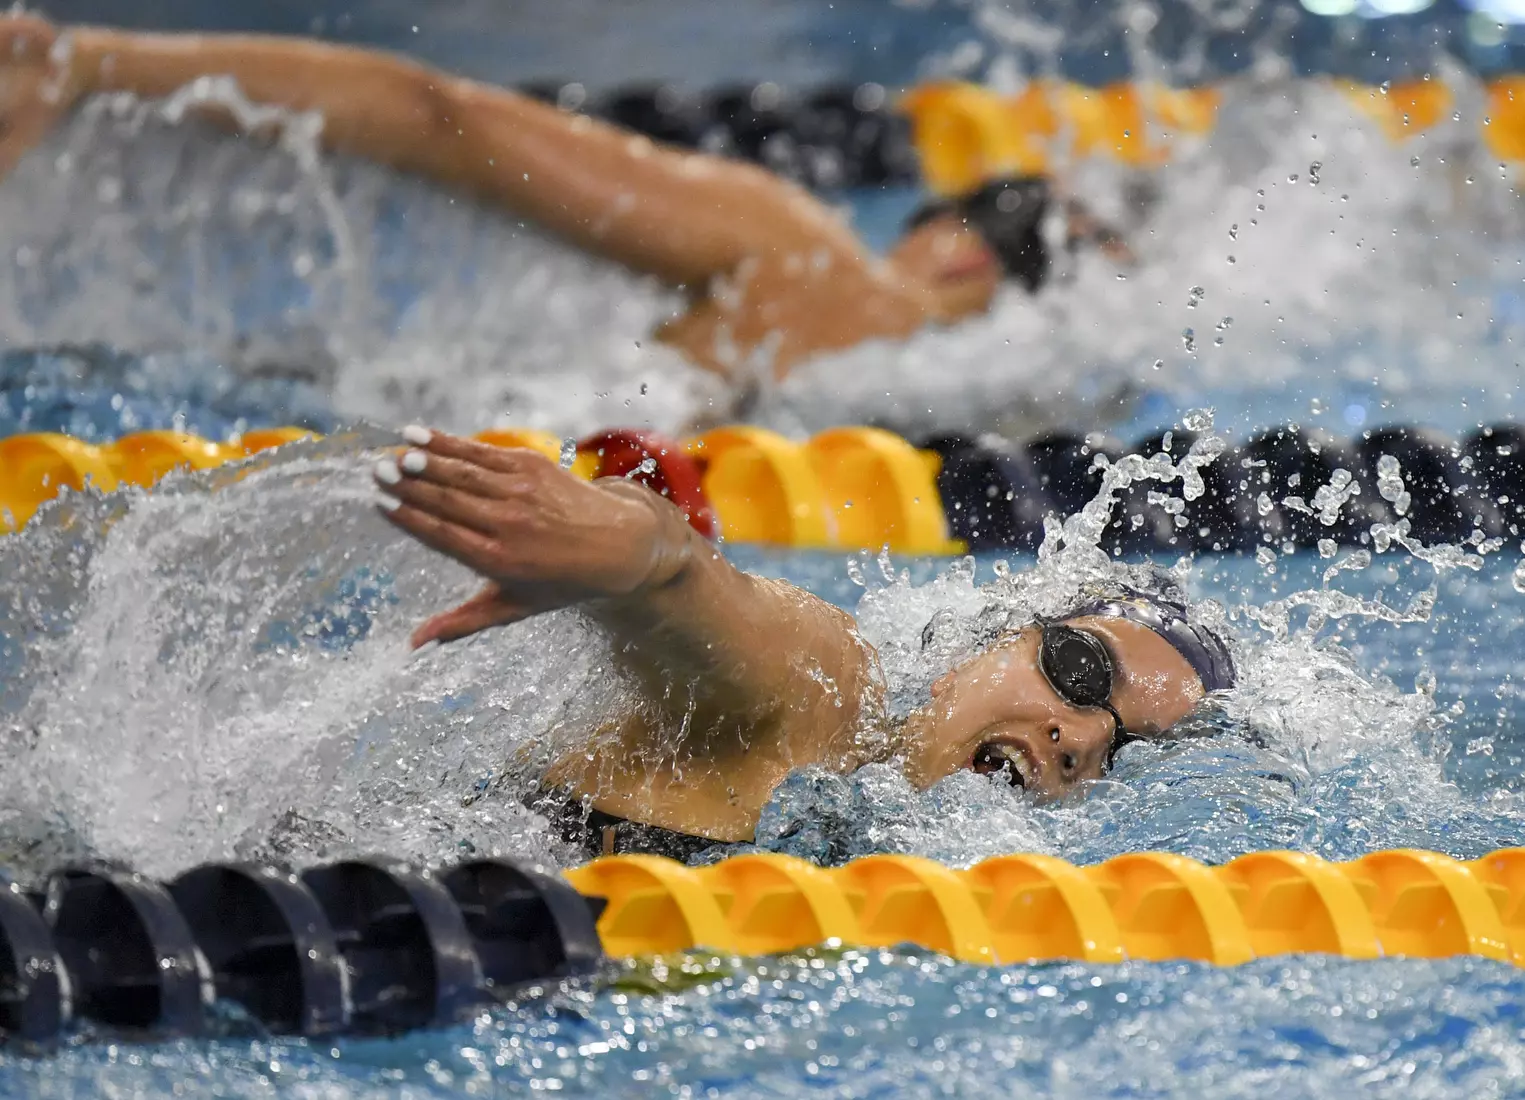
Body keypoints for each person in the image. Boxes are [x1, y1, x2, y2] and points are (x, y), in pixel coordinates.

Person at [0, 13, 1133, 392]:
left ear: (949, 244)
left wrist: (97, 56)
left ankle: (75, 61)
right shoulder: (945, 369)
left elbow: (450, 116)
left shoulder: (821, 261)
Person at [371, 428, 1234, 860]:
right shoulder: (827, 693)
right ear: (986, 643)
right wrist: (628, 549)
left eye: (1125, 751)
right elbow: (696, 586)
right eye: (1079, 669)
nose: (1081, 739)